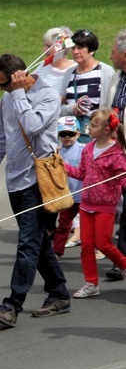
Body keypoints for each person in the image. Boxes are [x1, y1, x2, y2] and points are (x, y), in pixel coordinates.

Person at [0, 54, 71, 328]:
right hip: (15, 180)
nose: (2, 90)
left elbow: (33, 126)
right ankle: (58, 292)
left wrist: (19, 93)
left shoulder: (47, 95)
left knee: (28, 244)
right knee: (38, 242)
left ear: (20, 75)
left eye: (5, 84)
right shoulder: (10, 96)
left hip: (38, 180)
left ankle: (12, 305)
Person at [64, 109, 126, 298]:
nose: (89, 128)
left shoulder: (117, 153)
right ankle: (91, 283)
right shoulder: (88, 149)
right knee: (87, 246)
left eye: (93, 125)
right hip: (86, 204)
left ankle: (124, 265)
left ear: (106, 129)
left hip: (105, 207)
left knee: (104, 244)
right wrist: (63, 166)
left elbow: (123, 180)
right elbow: (81, 173)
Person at [60, 30, 117, 143]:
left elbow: (111, 106)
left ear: (92, 50)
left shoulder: (105, 71)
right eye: (73, 48)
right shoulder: (69, 73)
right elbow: (59, 107)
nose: (75, 52)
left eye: (81, 48)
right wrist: (72, 109)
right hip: (71, 136)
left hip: (97, 136)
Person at [103, 29, 126, 281]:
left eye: (113, 52)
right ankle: (121, 260)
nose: (110, 56)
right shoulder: (117, 77)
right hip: (117, 149)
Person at [53, 117, 85, 258]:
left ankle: (97, 249)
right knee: (63, 225)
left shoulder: (84, 149)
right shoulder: (57, 152)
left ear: (78, 134)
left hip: (84, 195)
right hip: (67, 195)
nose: (67, 137)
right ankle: (57, 252)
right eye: (63, 134)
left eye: (71, 134)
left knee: (91, 226)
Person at [33, 27, 76, 95]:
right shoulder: (43, 65)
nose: (44, 50)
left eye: (49, 46)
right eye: (45, 45)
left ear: (62, 48)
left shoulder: (74, 69)